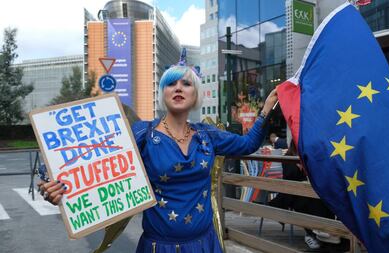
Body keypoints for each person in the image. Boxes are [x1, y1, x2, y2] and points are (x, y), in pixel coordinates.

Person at [37, 50, 278, 253]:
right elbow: (89, 158)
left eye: (186, 83)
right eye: (171, 83)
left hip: (205, 244)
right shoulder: (143, 134)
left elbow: (247, 145)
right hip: (158, 247)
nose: (178, 88)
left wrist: (267, 108)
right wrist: (53, 184)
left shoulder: (208, 135)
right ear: (163, 92)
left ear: (195, 95)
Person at [268, 141, 336, 250]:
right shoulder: (288, 156)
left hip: (308, 190)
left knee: (322, 201)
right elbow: (289, 177)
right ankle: (312, 233)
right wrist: (299, 167)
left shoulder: (309, 154)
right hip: (292, 192)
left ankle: (324, 232)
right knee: (308, 202)